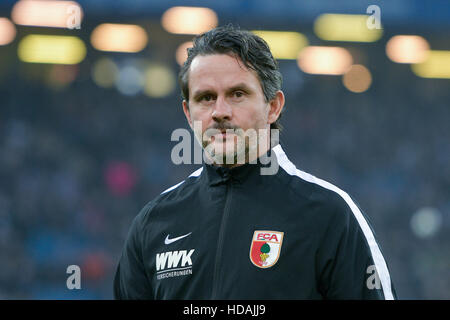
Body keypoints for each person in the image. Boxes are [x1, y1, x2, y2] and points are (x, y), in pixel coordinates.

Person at [113, 24, 396, 299]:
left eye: (237, 94)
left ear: (273, 107)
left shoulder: (331, 215)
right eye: (206, 98)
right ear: (188, 113)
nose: (220, 112)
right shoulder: (153, 223)